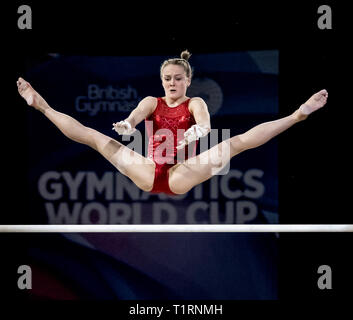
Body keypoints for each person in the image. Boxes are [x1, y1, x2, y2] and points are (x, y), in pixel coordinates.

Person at [17, 50, 328, 195]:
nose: (172, 83)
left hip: (181, 173)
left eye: (178, 79)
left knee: (235, 143)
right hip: (149, 170)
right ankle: (42, 106)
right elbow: (136, 115)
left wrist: (199, 129)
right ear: (161, 80)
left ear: (188, 80)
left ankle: (298, 114)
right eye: (167, 79)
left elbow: (205, 123)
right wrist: (129, 124)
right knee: (96, 138)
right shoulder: (152, 102)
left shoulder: (197, 103)